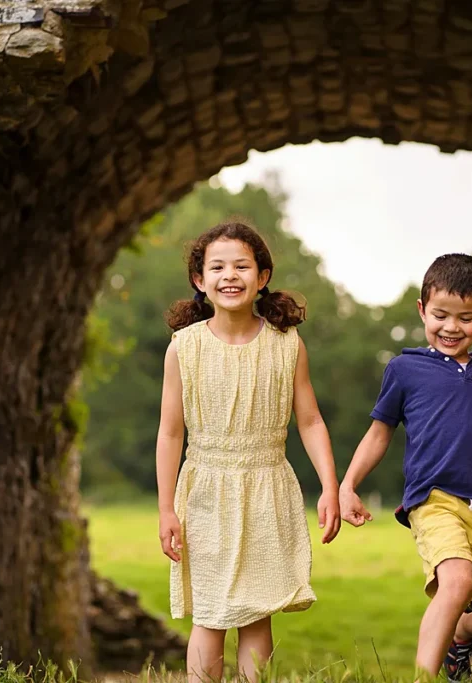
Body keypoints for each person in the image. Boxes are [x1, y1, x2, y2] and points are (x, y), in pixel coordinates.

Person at [339, 253, 472, 680]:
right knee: (455, 582)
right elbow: (379, 432)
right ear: (423, 310)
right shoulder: (405, 369)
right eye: (440, 315)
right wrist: (348, 484)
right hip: (435, 499)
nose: (451, 327)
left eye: (466, 317)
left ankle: (461, 632)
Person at [155, 220, 341, 682]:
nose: (229, 275)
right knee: (212, 612)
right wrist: (165, 510)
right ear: (200, 280)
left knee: (258, 610)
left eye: (242, 265)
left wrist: (330, 487)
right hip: (205, 494)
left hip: (266, 488)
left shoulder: (287, 345)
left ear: (262, 277)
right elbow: (170, 434)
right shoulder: (184, 348)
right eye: (217, 266)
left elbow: (311, 421)